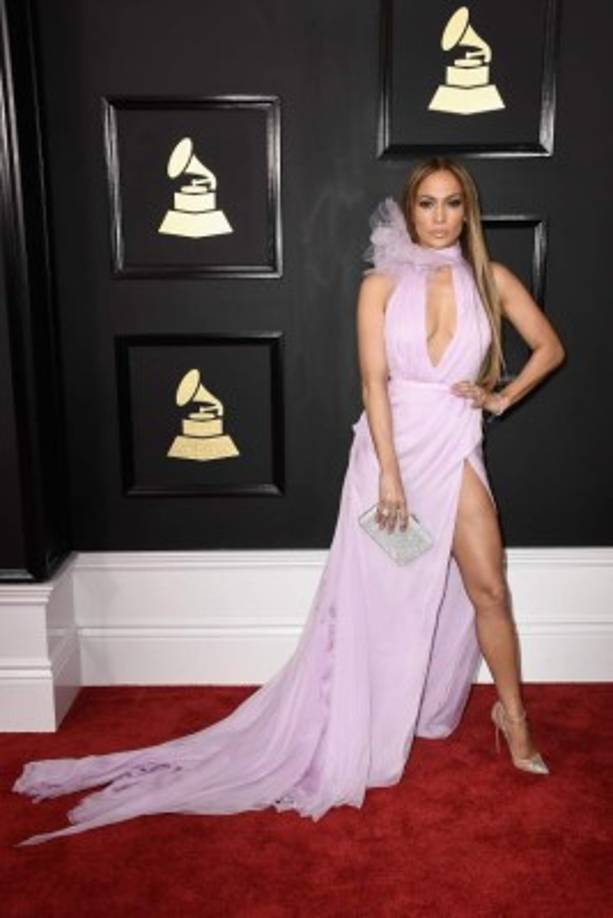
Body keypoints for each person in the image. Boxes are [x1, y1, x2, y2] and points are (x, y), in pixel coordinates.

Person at [12, 157, 565, 846]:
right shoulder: (378, 286)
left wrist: (499, 397)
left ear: (467, 212)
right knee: (377, 598)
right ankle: (362, 713)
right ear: (409, 209)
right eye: (427, 203)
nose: (439, 216)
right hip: (389, 457)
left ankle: (513, 718)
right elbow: (372, 383)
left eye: (452, 203)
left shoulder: (492, 281)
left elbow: (548, 347)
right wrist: (388, 476)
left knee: (488, 588)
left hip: (453, 446)